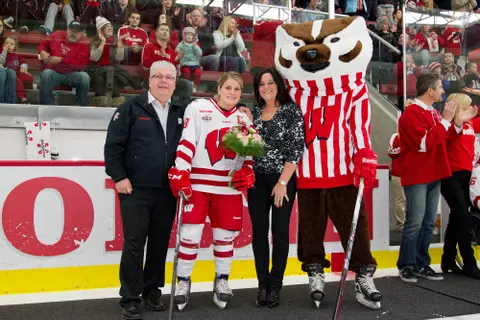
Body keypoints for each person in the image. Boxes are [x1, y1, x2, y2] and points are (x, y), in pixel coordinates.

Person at [104, 61, 186, 320]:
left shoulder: (182, 111)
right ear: (149, 81)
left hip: (168, 191)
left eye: (169, 77)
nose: (164, 81)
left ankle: (152, 291)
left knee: (160, 244)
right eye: (158, 77)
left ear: (175, 82)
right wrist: (119, 177)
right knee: (134, 243)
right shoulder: (130, 108)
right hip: (135, 190)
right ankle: (129, 297)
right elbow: (112, 146)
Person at [167, 72, 255, 311]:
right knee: (190, 235)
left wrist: (247, 171)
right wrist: (181, 170)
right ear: (218, 88)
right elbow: (187, 141)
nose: (232, 92)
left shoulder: (244, 120)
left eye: (237, 89)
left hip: (227, 188)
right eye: (228, 87)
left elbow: (248, 156)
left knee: (225, 237)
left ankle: (222, 280)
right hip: (198, 184)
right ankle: (183, 281)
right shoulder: (199, 108)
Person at [396, 72, 474, 283]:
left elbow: (445, 140)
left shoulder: (433, 114)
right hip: (418, 175)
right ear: (429, 90)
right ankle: (407, 265)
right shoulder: (411, 113)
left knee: (429, 222)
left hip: (435, 174)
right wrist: (447, 121)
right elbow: (424, 144)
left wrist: (456, 123)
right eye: (440, 87)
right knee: (415, 222)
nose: (443, 91)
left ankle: (422, 263)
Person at [248, 68, 304, 308]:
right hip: (257, 181)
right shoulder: (254, 113)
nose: (266, 87)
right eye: (262, 84)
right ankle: (263, 285)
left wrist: (282, 183)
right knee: (259, 232)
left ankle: (275, 286)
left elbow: (296, 149)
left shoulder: (291, 111)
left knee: (280, 231)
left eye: (270, 82)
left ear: (279, 85)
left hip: (283, 180)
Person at [440, 92, 480, 279]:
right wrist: (457, 122)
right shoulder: (449, 125)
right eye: (467, 106)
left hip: (466, 175)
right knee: (464, 219)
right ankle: (469, 263)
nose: (472, 109)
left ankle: (447, 259)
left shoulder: (469, 124)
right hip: (450, 176)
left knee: (457, 219)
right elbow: (448, 138)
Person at [38, 21, 90, 106]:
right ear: (67, 29)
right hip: (54, 72)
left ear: (81, 34)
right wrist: (42, 51)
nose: (73, 33)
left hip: (72, 74)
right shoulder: (57, 34)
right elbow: (43, 44)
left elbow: (81, 65)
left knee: (84, 77)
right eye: (71, 30)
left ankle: (81, 108)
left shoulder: (84, 43)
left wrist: (62, 60)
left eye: (76, 32)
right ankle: (45, 106)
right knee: (46, 74)